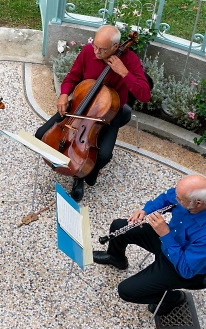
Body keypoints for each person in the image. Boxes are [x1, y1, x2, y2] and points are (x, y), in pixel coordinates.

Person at [35, 25, 150, 202]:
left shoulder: (130, 60)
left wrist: (124, 72)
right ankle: (67, 163)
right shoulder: (89, 51)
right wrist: (64, 94)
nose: (96, 51)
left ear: (116, 46)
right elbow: (72, 76)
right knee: (41, 134)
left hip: (108, 114)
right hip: (79, 106)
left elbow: (144, 95)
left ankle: (80, 176)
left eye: (102, 49)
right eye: (95, 45)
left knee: (103, 156)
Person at [92, 174, 206, 316]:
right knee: (118, 226)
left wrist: (165, 234)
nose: (176, 199)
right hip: (170, 240)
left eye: (179, 199)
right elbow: (166, 198)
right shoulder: (191, 196)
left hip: (181, 265)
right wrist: (146, 210)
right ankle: (116, 258)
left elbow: (186, 270)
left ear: (198, 203)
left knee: (126, 291)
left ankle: (173, 298)